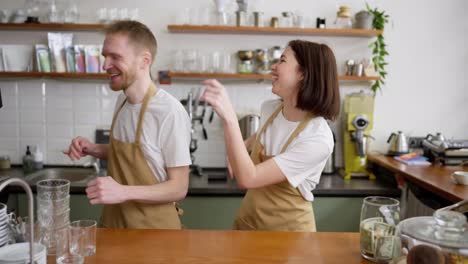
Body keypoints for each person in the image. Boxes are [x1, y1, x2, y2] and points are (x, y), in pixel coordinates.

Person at [201, 40, 340, 231]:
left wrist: (230, 119)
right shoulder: (271, 109)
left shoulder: (318, 138)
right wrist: (242, 145)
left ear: (303, 73)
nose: (273, 67)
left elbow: (248, 179)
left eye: (282, 60)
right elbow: (263, 135)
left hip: (289, 236)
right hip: (249, 223)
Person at [64, 21, 191, 229]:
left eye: (116, 57)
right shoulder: (122, 101)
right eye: (105, 56)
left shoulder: (169, 111)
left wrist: (123, 192)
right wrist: (93, 148)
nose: (105, 65)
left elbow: (179, 188)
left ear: (144, 61)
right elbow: (135, 156)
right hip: (115, 225)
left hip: (155, 233)